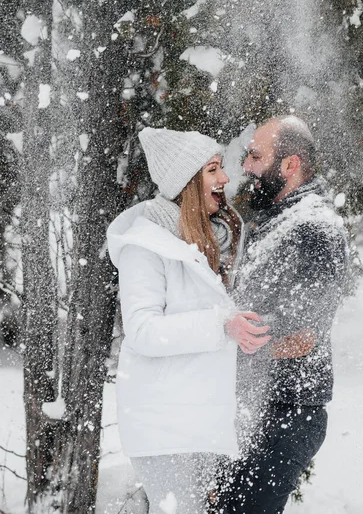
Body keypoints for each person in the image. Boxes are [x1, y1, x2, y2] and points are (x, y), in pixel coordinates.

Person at [106, 127, 271, 514]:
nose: (225, 178)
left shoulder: (200, 243)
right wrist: (221, 325)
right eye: (213, 169)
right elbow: (143, 332)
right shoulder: (145, 248)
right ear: (187, 182)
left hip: (197, 423)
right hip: (166, 428)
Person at [221, 115, 349, 514]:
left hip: (284, 416)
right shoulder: (277, 222)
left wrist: (221, 347)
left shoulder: (315, 228)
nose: (245, 166)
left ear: (290, 165)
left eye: (256, 156)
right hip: (255, 410)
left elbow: (301, 338)